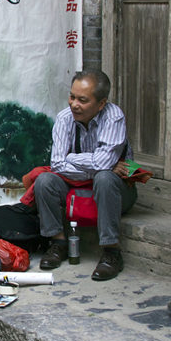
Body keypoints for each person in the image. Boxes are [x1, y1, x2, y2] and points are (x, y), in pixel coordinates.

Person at [36, 70, 137, 280]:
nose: (74, 104)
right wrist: (97, 165)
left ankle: (111, 252)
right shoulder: (64, 118)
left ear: (101, 104)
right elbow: (56, 163)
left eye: (82, 100)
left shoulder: (113, 116)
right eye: (72, 97)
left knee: (105, 178)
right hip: (77, 188)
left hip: (115, 191)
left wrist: (71, 158)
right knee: (45, 180)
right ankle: (58, 242)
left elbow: (102, 165)